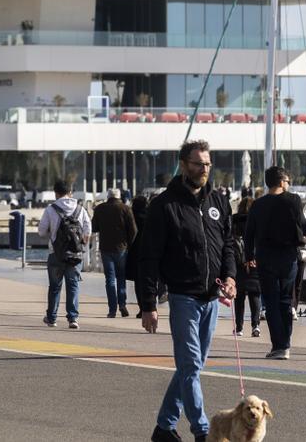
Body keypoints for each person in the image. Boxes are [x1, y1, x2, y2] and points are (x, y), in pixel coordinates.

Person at [139, 140, 237, 442]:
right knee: (191, 365)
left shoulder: (218, 201)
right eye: (198, 164)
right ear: (184, 165)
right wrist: (148, 304)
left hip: (212, 297)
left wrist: (230, 276)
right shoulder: (164, 205)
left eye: (207, 164)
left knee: (190, 366)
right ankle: (203, 431)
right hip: (182, 297)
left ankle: (164, 427)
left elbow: (229, 244)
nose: (204, 169)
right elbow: (148, 257)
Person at [243, 166, 306, 360]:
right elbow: (303, 224)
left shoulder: (257, 205)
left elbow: (249, 234)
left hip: (265, 258)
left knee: (271, 302)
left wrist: (248, 256)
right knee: (286, 301)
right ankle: (285, 344)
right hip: (288, 257)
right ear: (281, 181)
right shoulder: (294, 200)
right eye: (287, 181)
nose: (288, 184)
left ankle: (278, 345)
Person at [37, 180, 91, 330]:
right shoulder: (80, 209)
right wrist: (80, 244)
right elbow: (88, 230)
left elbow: (41, 231)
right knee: (73, 286)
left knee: (55, 287)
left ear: (56, 193)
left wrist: (52, 233)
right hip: (75, 255)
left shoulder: (50, 209)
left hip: (56, 254)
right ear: (70, 192)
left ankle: (52, 318)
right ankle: (73, 318)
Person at [93, 188, 137, 318]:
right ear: (119, 197)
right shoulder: (126, 208)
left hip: (106, 248)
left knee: (110, 280)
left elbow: (94, 227)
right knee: (121, 278)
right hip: (122, 249)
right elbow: (134, 230)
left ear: (108, 196)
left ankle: (112, 310)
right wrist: (129, 244)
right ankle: (122, 304)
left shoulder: (100, 209)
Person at [231, 197, 261, 338]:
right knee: (255, 296)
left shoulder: (234, 220)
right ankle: (255, 325)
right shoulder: (256, 220)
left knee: (239, 297)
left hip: (238, 263)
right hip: (254, 262)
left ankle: (239, 327)